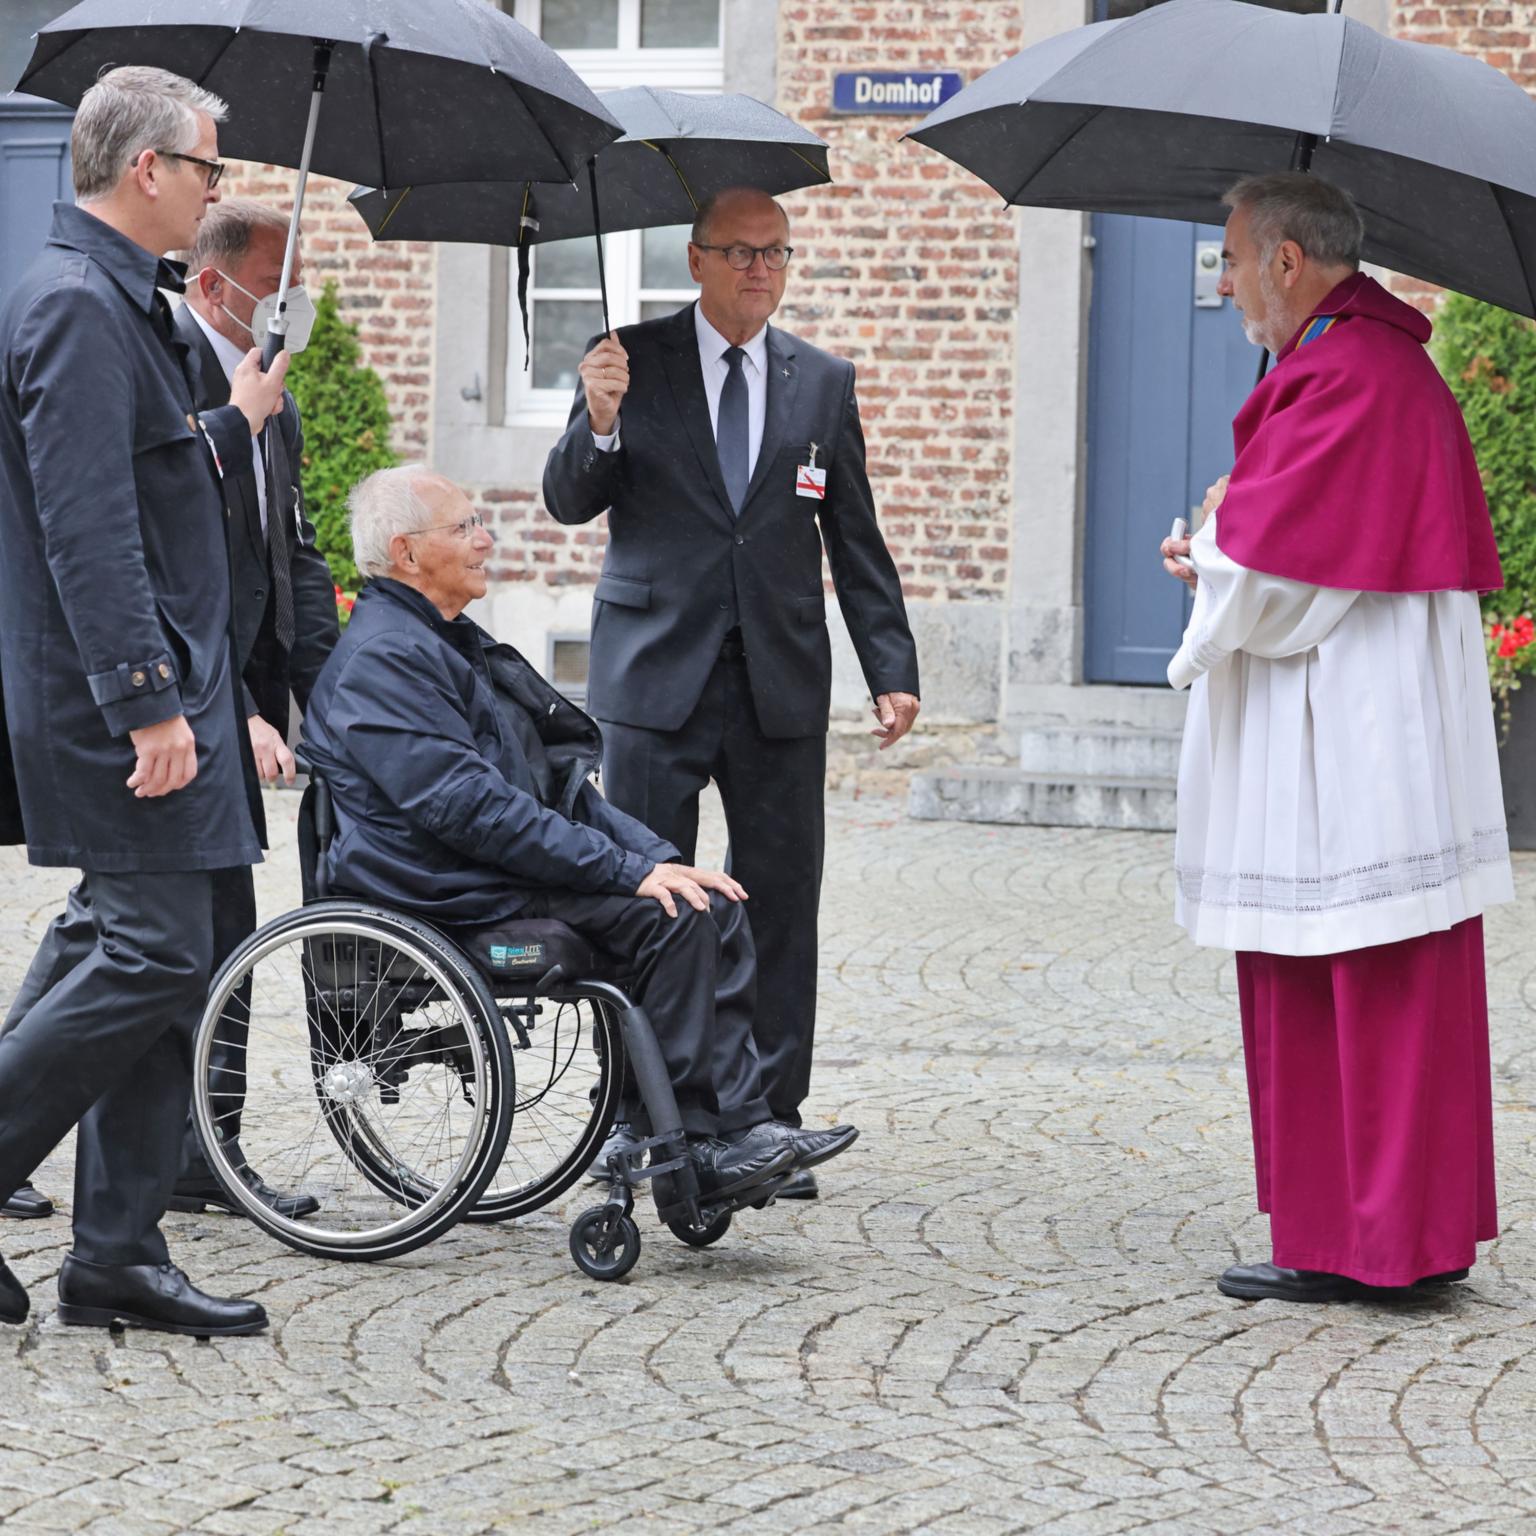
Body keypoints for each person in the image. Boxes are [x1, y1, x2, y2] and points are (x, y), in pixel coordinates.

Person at [301, 465, 859, 1202]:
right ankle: (696, 1142)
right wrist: (625, 875)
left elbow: (557, 788)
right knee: (670, 918)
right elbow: (469, 810)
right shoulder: (387, 659)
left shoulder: (444, 641)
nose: (485, 540)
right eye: (465, 527)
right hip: (446, 892)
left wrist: (658, 859)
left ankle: (726, 1131)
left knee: (704, 897)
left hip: (478, 869)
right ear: (406, 553)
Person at [1159, 172, 1511, 1303]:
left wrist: (1207, 550)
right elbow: (1297, 522)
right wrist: (1239, 512)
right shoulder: (1361, 366)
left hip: (1349, 740)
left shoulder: (1350, 372)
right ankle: (1398, 1236)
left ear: (1287, 262)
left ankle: (1360, 1248)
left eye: (1228, 259)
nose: (1222, 282)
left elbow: (1271, 579)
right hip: (1369, 725)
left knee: (1352, 970)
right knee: (1370, 973)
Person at [542, 187, 919, 1196]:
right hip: (656, 679)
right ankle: (635, 1116)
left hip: (780, 686)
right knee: (646, 902)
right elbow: (568, 497)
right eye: (741, 252)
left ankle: (769, 1121)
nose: (761, 268)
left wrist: (893, 669)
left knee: (782, 902)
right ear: (697, 261)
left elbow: (857, 542)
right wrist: (601, 420)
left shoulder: (820, 383)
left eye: (777, 253)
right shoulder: (630, 361)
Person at [0, 65, 290, 1334]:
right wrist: (147, 705)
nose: (221, 189)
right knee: (150, 951)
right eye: (211, 166)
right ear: (148, 172)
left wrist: (236, 419)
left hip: (190, 697)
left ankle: (115, 1253)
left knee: (183, 963)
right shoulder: (72, 305)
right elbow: (88, 530)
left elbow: (160, 478)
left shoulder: (138, 306)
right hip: (125, 708)